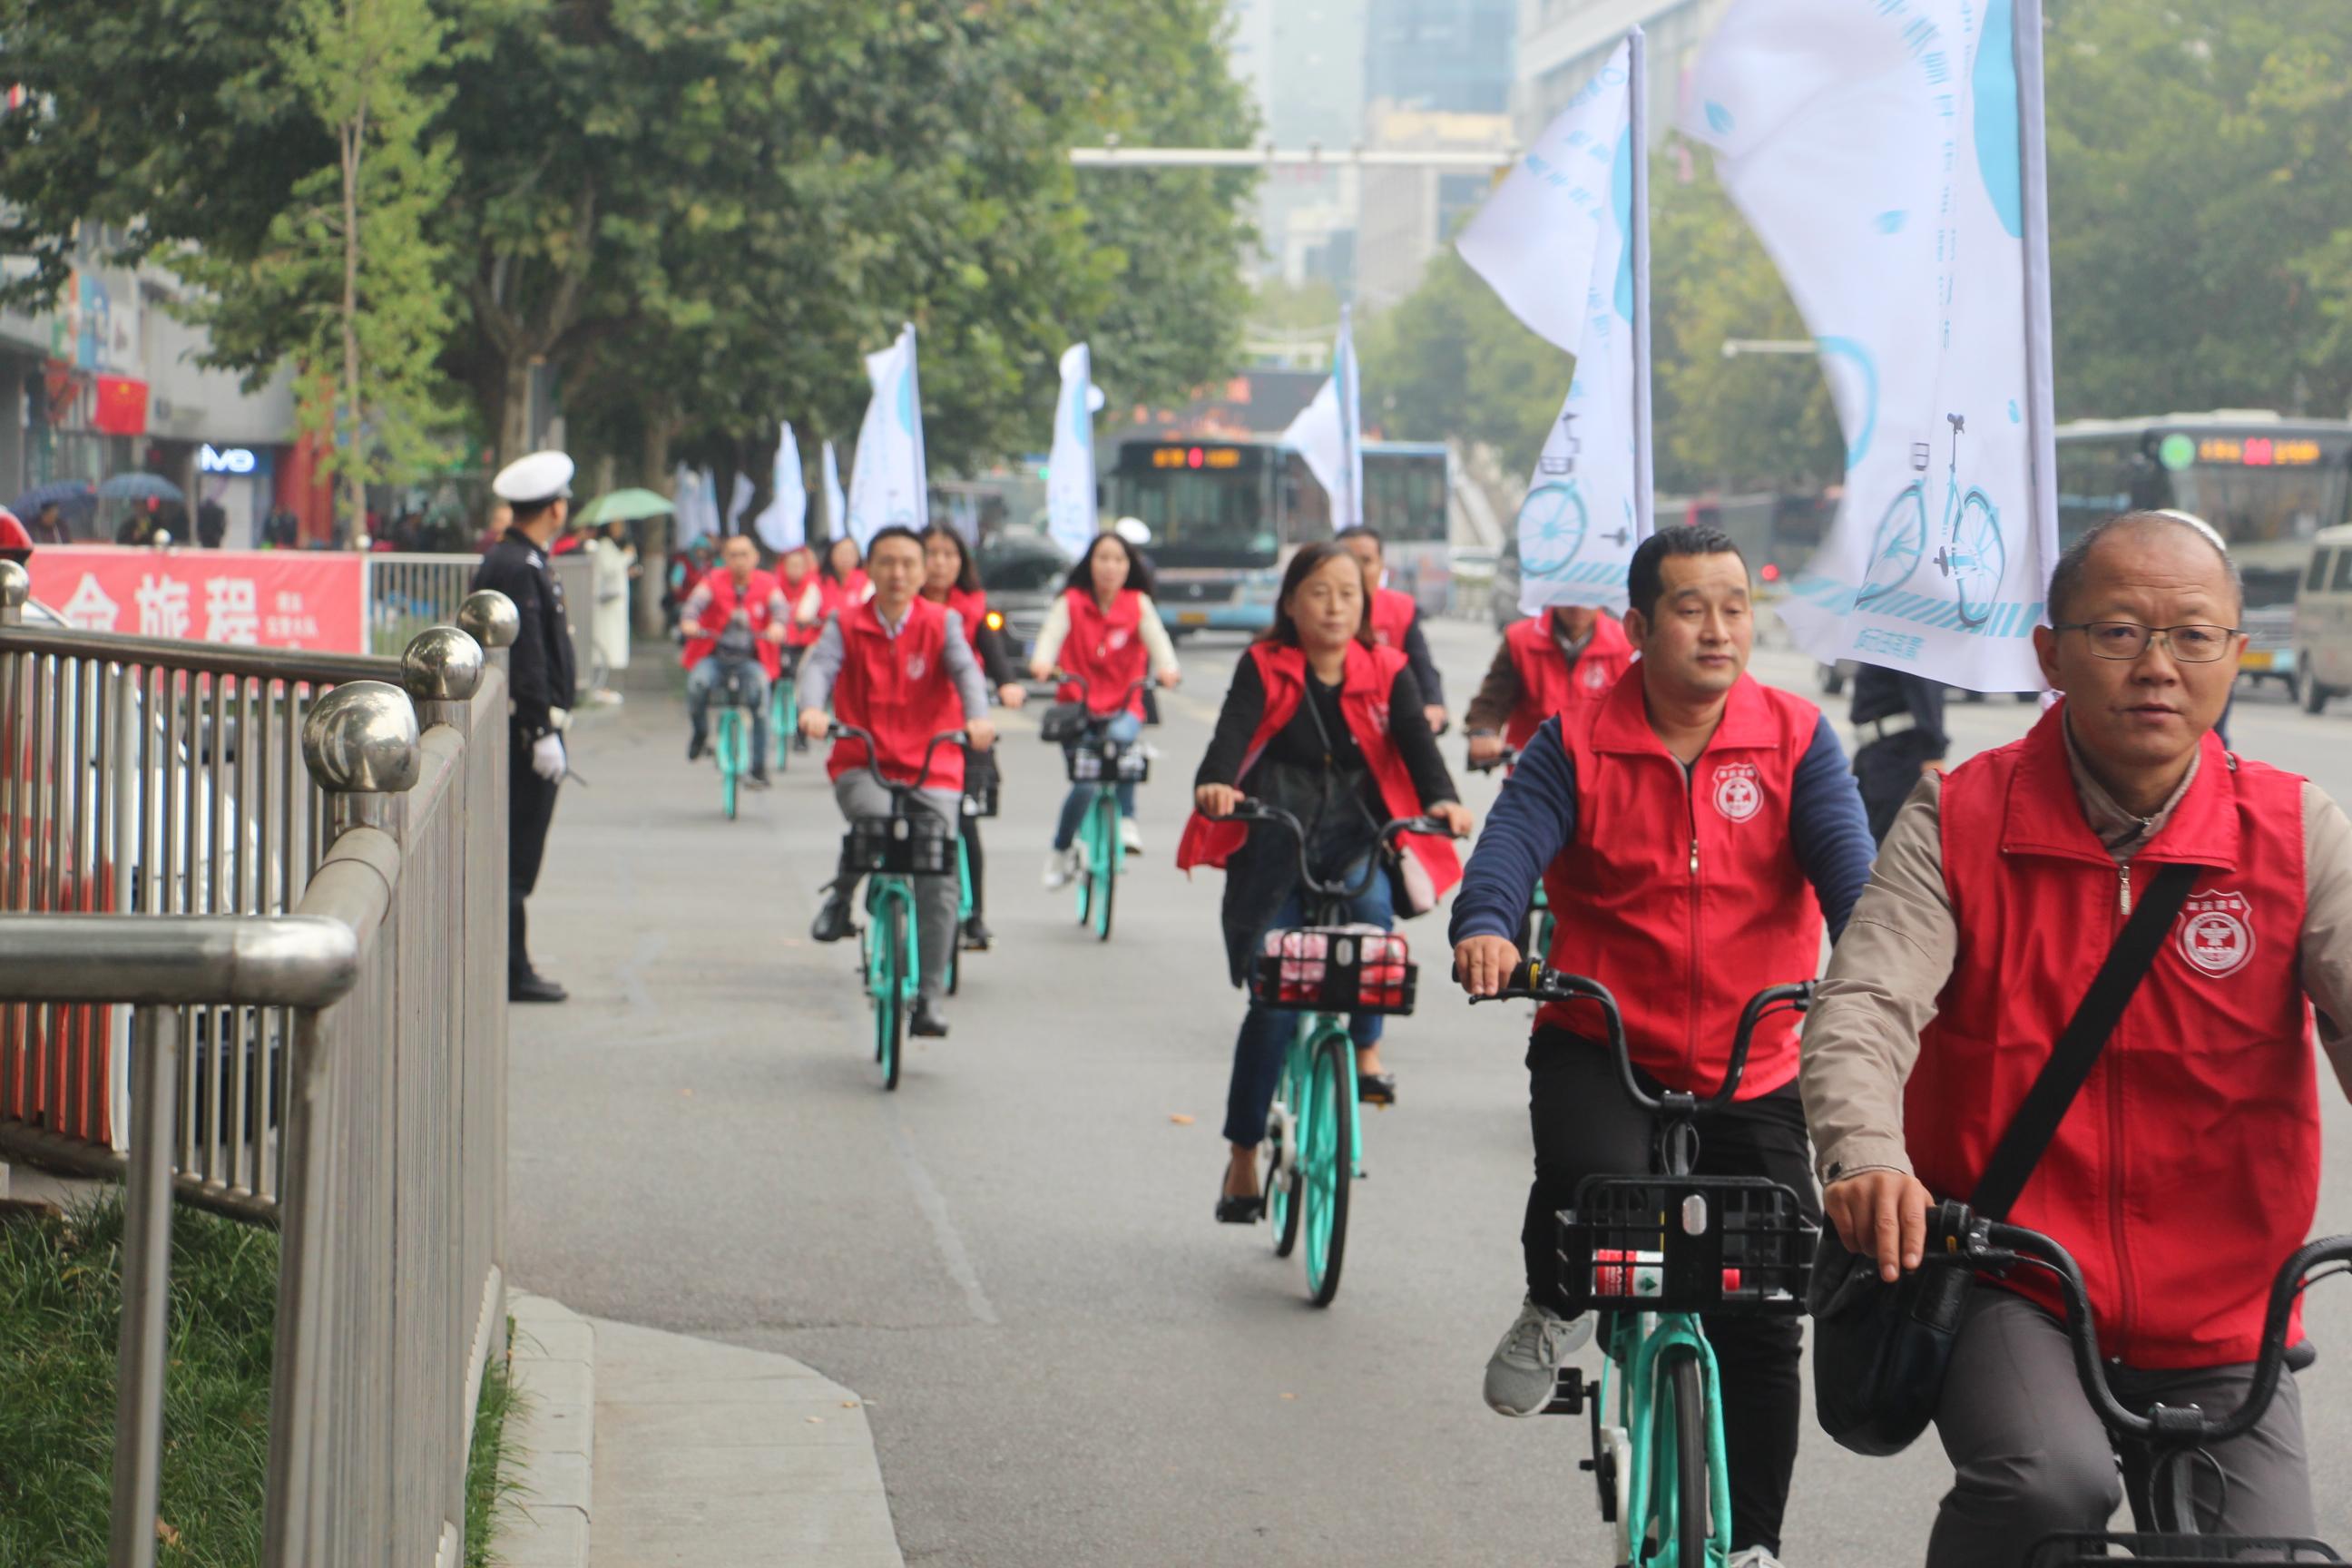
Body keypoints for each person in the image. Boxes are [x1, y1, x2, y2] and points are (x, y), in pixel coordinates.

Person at [1801, 510, 2352, 1565]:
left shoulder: (2293, 832)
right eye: (2119, 633)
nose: (2158, 666)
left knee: (2273, 1558)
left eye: (2194, 636)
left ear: (2238, 655)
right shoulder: (1956, 819)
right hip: (2017, 1278)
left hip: (2231, 1310)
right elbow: (1864, 1006)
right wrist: (1865, 1155)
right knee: (2046, 1485)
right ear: (2050, 652)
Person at [1451, 524, 1874, 1568]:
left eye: (1735, 607)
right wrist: (1488, 926)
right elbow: (1512, 841)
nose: (1719, 629)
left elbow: (1849, 866)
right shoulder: (1577, 739)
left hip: (1759, 1050)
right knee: (1594, 1189)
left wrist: (1876, 961)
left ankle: (1758, 1546)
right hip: (1605, 1034)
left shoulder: (1794, 735)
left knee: (1768, 1305)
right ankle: (1558, 1303)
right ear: (1639, 627)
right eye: (1692, 609)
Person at [1179, 540, 1471, 1217]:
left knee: (1375, 939)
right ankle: (1243, 1155)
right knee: (1275, 1000)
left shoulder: (1389, 669)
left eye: (1348, 592)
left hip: (1356, 843)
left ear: (1365, 602)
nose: (1335, 605)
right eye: (1318, 592)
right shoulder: (1263, 665)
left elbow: (1419, 750)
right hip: (1276, 847)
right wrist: (1216, 786)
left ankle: (1364, 1047)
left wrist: (1444, 801)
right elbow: (1228, 739)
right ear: (1289, 603)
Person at [799, 527, 996, 1039]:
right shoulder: (846, 623)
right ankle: (841, 898)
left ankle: (928, 997)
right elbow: (820, 666)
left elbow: (967, 674)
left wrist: (978, 720)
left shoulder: (943, 622)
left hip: (933, 763)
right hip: (862, 759)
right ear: (869, 568)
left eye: (909, 563)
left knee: (938, 872)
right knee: (877, 822)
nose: (899, 574)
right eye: (887, 563)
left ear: (923, 570)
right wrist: (812, 710)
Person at [470, 450, 582, 1004]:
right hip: (525, 733)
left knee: (516, 855)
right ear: (555, 508)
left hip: (528, 729)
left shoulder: (520, 559)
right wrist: (540, 729)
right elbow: (529, 657)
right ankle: (511, 971)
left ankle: (514, 966)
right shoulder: (519, 565)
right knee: (516, 856)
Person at [1029, 532, 1181, 874]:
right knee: (1084, 784)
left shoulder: (1137, 603)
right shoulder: (1070, 602)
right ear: (1090, 564)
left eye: (1119, 560)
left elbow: (1158, 641)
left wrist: (1169, 670)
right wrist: (1042, 662)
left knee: (1122, 746)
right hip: (1077, 708)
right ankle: (1061, 849)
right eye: (1103, 558)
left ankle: (1127, 819)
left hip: (1124, 705)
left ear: (1130, 567)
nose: (1111, 567)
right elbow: (1051, 636)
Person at [920, 524, 1027, 950]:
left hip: (965, 725)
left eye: (950, 554)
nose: (941, 562)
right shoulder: (902, 607)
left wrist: (1007, 685)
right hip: (910, 726)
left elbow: (994, 655)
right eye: (931, 553)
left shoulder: (974, 607)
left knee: (965, 822)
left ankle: (975, 915)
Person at [1462, 603, 1636, 769]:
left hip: (1599, 773)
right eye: (1569, 594)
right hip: (1531, 769)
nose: (1577, 605)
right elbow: (1493, 700)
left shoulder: (1625, 645)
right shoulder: (1520, 640)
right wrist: (1484, 733)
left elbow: (1635, 712)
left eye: (1586, 598)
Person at [679, 534, 788, 788]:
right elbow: (694, 604)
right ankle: (700, 734)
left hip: (750, 659)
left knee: (761, 698)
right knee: (697, 684)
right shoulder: (713, 581)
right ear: (725, 558)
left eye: (745, 554)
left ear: (755, 558)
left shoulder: (767, 583)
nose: (739, 561)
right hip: (715, 657)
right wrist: (689, 621)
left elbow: (780, 610)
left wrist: (778, 626)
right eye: (733, 555)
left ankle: (759, 767)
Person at [1335, 525, 1448, 733]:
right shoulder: (1318, 611)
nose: (1357, 570)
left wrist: (1433, 703)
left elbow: (1422, 665)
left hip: (1387, 720)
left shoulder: (1401, 609)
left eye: (1366, 561)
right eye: (1348, 560)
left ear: (1381, 566)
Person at [1847, 664, 1948, 844]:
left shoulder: (1914, 647)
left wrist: (1932, 752)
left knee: (1890, 837)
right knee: (1864, 831)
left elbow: (1924, 690)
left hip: (1899, 753)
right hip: (1874, 748)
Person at [585, 519, 639, 694]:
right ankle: (601, 684)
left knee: (612, 642)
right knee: (606, 642)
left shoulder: (610, 546)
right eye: (616, 525)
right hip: (606, 604)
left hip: (615, 603)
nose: (620, 529)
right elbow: (610, 568)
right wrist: (627, 556)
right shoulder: (604, 545)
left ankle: (605, 684)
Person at [818, 534, 873, 622]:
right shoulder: (819, 582)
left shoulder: (868, 583)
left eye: (850, 553)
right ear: (831, 555)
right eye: (841, 552)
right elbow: (804, 615)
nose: (845, 557)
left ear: (858, 556)